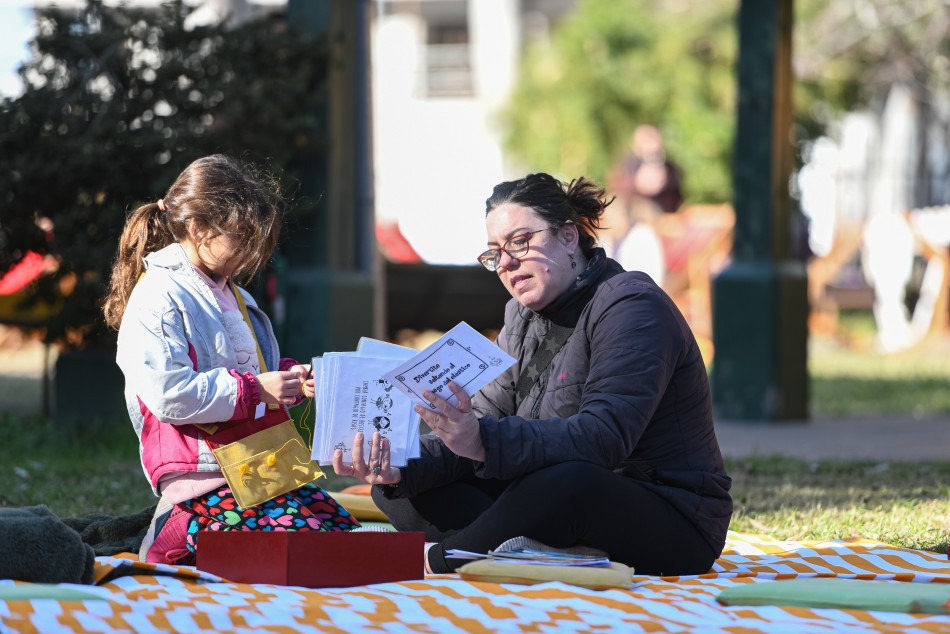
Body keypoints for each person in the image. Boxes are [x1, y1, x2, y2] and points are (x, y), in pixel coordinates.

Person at [334, 173, 732, 576]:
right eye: (495, 253)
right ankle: (524, 550)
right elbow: (485, 418)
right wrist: (398, 466)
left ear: (568, 237)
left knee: (566, 482)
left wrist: (482, 440)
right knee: (401, 492)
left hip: (669, 517)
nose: (506, 262)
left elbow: (604, 439)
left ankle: (448, 558)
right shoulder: (519, 315)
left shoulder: (632, 306)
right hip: (552, 494)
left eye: (521, 242)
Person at [102, 154, 360, 565]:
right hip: (205, 479)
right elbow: (168, 394)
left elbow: (253, 370)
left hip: (261, 467)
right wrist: (257, 389)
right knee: (307, 555)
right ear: (198, 227)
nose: (251, 252)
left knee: (347, 546)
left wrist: (289, 378)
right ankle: (177, 528)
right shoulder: (159, 297)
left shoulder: (234, 292)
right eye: (241, 239)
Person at [608, 124, 683, 214]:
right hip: (633, 214)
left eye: (652, 139)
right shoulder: (626, 165)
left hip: (663, 216)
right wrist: (637, 186)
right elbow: (617, 191)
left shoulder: (670, 168)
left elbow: (676, 194)